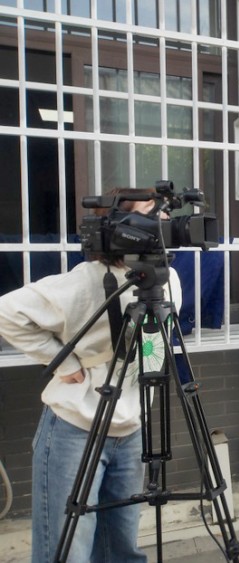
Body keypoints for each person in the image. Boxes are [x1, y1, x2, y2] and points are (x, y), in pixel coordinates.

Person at [0, 189, 182, 562]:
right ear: (122, 226)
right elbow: (8, 311)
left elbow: (153, 348)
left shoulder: (168, 280)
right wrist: (65, 364)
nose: (163, 220)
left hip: (131, 427)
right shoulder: (85, 281)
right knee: (67, 550)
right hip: (75, 429)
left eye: (164, 213)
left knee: (121, 548)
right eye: (151, 212)